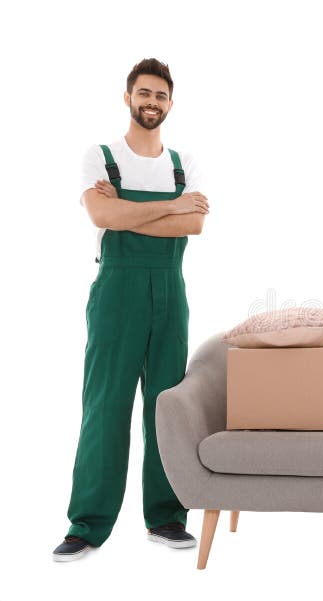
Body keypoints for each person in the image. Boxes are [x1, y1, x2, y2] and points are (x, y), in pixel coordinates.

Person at [53, 58, 209, 562]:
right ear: (128, 97)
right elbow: (102, 214)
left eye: (161, 96)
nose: (152, 102)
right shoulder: (101, 157)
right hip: (116, 293)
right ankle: (87, 524)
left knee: (167, 408)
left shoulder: (184, 163)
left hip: (171, 294)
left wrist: (131, 211)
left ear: (170, 103)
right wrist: (170, 206)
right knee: (105, 406)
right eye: (144, 93)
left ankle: (166, 517)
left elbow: (193, 228)